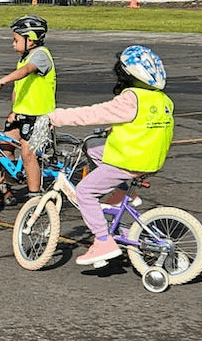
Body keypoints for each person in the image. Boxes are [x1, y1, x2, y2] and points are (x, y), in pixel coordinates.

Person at [47, 45, 173, 266]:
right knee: (93, 146)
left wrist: (55, 117)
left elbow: (93, 113)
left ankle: (103, 241)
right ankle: (123, 192)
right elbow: (143, 125)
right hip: (150, 158)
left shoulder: (131, 98)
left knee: (85, 192)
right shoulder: (161, 99)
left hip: (129, 161)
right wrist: (112, 129)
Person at [0, 15, 56, 205]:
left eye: (16, 40)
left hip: (38, 115)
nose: (13, 44)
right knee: (5, 147)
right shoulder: (24, 58)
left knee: (27, 154)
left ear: (30, 40)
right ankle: (5, 189)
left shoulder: (41, 55)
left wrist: (2, 79)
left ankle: (35, 198)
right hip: (21, 114)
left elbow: (25, 71)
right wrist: (13, 110)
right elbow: (19, 88)